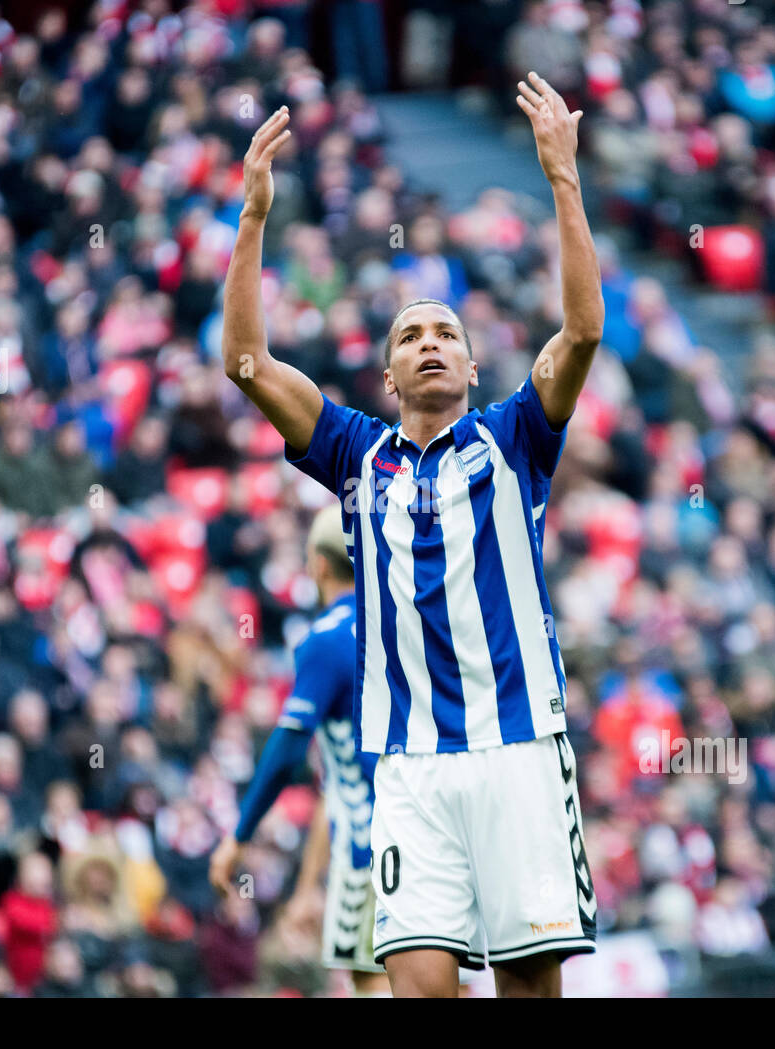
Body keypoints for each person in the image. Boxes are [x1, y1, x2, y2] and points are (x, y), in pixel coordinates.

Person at [221, 72, 604, 998]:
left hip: (518, 747)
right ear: (389, 375)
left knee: (527, 988)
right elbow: (245, 364)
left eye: (444, 332)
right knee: (417, 987)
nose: (429, 341)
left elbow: (583, 330)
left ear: (472, 366)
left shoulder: (515, 437)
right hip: (409, 763)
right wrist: (252, 221)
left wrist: (562, 180)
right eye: (410, 336)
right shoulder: (355, 455)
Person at [209, 505, 386, 994]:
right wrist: (308, 886)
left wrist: (239, 835)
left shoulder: (326, 641)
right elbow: (336, 783)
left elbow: (287, 752)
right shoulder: (404, 624)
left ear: (318, 565)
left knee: (372, 981)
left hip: (373, 849)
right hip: (433, 834)